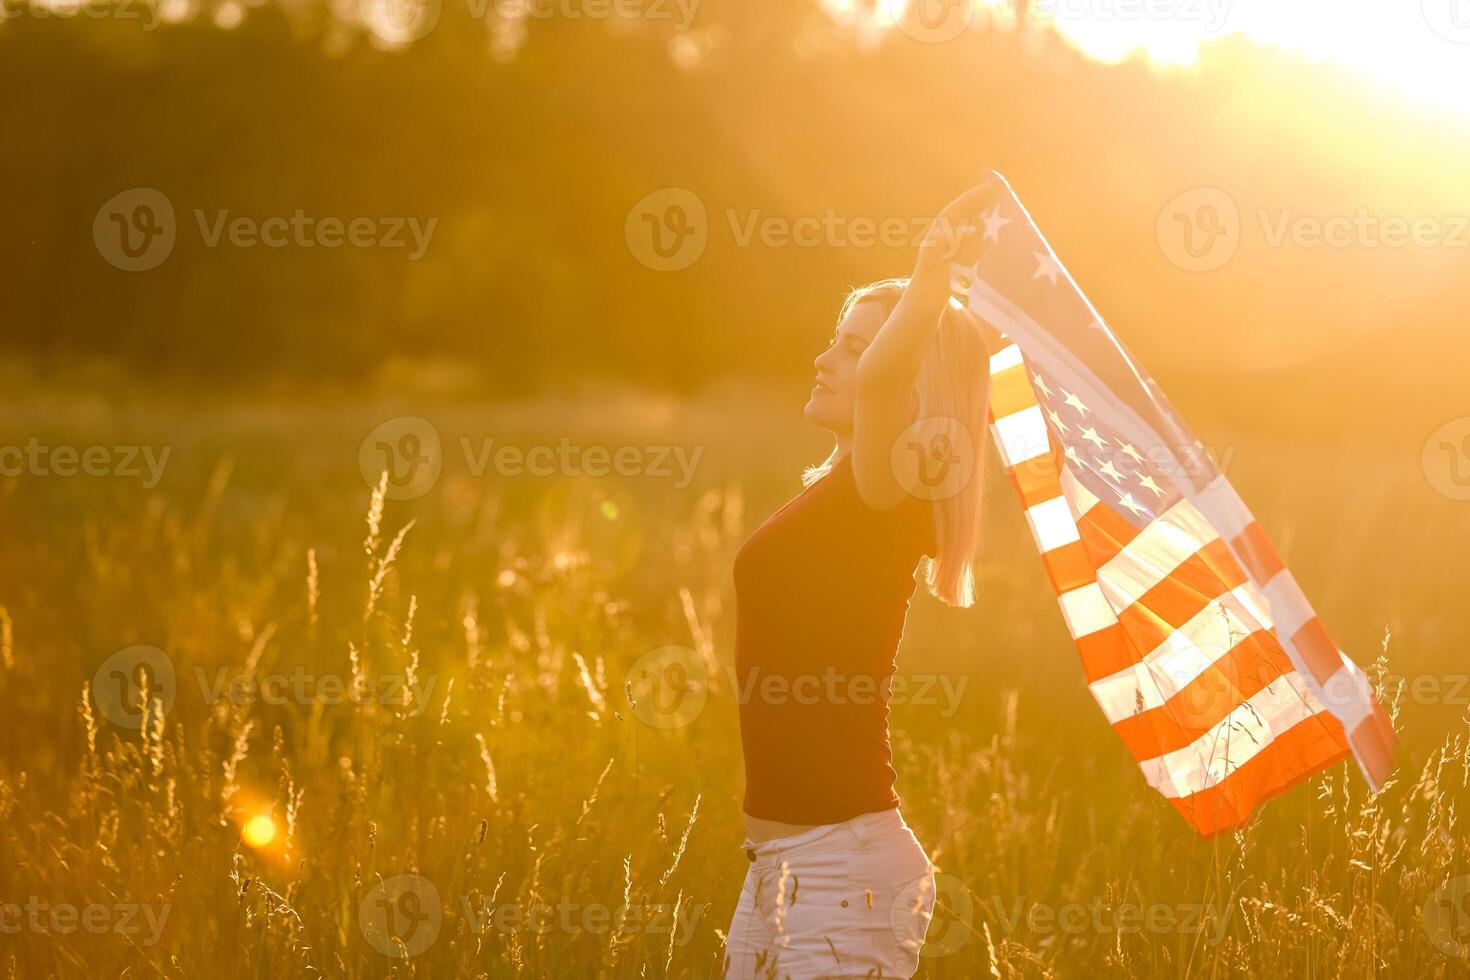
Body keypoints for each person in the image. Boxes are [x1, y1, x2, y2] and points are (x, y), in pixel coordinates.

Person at [724, 185, 995, 978]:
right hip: (783, 866)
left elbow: (882, 383)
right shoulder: (842, 490)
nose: (827, 360)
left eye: (856, 348)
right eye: (836, 341)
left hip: (845, 871)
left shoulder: (889, 492)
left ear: (915, 382)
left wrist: (929, 276)